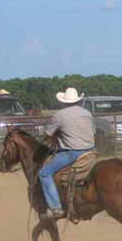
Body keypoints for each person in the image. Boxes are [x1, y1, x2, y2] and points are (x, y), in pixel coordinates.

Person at [39, 87, 95, 219]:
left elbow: (47, 135)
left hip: (71, 153)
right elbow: (93, 133)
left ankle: (56, 208)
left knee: (44, 173)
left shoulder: (59, 115)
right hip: (91, 152)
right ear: (77, 101)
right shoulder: (87, 113)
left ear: (64, 102)